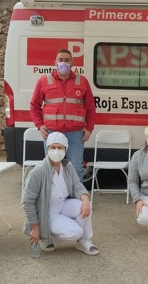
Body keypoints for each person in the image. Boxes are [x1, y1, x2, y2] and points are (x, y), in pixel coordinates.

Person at [22, 131, 98, 256]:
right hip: (47, 212)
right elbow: (28, 201)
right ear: (47, 148)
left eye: (60, 147)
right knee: (76, 231)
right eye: (53, 147)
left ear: (65, 149)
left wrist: (85, 200)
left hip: (63, 204)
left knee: (86, 205)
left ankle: (84, 241)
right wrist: (35, 227)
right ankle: (44, 236)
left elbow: (77, 186)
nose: (56, 150)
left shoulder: (67, 166)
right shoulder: (39, 171)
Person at [29, 49, 97, 180]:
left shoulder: (82, 81)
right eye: (60, 60)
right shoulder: (44, 81)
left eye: (67, 60)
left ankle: (77, 198)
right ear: (55, 62)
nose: (63, 63)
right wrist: (39, 126)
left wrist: (89, 128)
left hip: (76, 134)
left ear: (72, 63)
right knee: (52, 166)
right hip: (52, 133)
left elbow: (91, 107)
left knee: (76, 166)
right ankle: (52, 197)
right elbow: (34, 105)